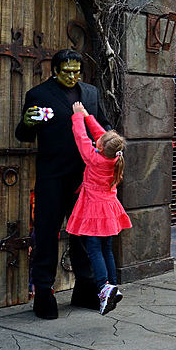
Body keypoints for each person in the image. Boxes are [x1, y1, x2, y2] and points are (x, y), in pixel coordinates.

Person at [15, 49, 110, 319]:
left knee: (83, 236)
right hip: (52, 177)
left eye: (76, 71)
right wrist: (26, 122)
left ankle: (85, 289)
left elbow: (102, 126)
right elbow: (22, 135)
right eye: (66, 71)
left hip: (85, 179)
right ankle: (44, 294)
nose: (72, 76)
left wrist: (112, 147)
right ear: (55, 70)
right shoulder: (38, 95)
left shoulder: (90, 93)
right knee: (46, 235)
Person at [68, 101, 132, 315]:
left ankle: (104, 287)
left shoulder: (94, 159)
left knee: (94, 249)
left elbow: (81, 138)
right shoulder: (114, 158)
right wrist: (88, 116)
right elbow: (102, 136)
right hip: (109, 209)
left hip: (94, 210)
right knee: (107, 249)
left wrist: (78, 116)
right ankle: (113, 286)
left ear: (101, 147)